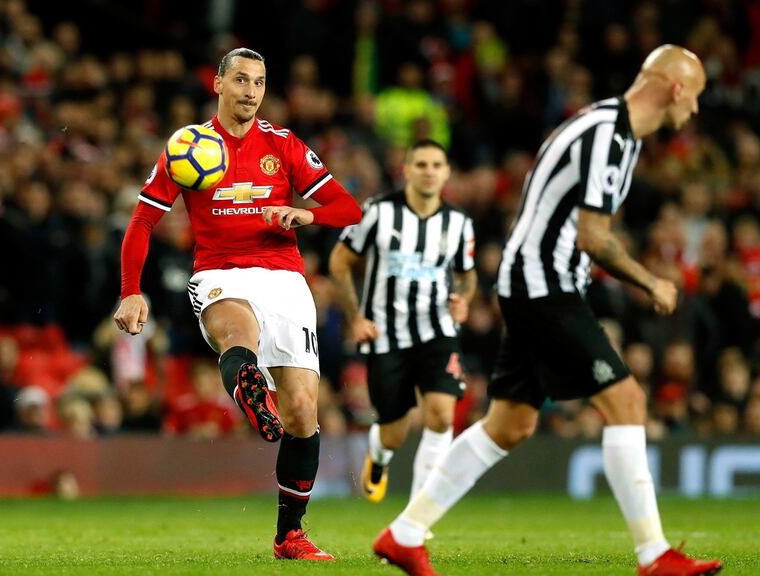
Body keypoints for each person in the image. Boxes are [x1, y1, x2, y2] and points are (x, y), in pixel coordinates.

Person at [372, 45, 722, 576]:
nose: (694, 110)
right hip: (542, 283)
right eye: (694, 97)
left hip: (538, 280)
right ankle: (654, 556)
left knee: (509, 424)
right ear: (676, 89)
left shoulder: (612, 130)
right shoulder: (610, 134)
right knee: (626, 399)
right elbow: (593, 236)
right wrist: (651, 281)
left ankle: (404, 533)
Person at [113, 48, 361, 561]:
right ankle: (248, 385)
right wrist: (130, 290)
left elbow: (347, 206)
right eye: (241, 80)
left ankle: (289, 536)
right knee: (236, 331)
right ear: (219, 84)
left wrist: (303, 213)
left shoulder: (283, 144)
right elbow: (142, 221)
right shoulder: (189, 147)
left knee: (301, 410)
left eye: (260, 82)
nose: (251, 91)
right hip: (220, 272)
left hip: (286, 278)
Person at [329, 139, 476, 505]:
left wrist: (464, 299)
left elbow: (467, 274)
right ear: (406, 170)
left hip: (437, 330)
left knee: (442, 416)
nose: (429, 171)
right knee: (394, 432)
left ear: (447, 173)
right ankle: (378, 458)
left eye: (436, 165)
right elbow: (339, 262)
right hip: (385, 335)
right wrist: (356, 317)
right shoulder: (377, 212)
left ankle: (419, 511)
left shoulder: (458, 223)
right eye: (421, 164)